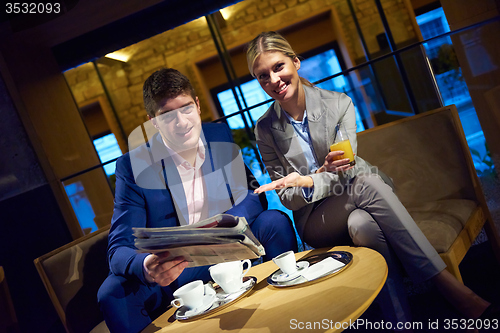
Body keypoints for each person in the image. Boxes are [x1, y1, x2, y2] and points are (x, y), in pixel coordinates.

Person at [245, 31, 496, 326]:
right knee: (366, 183)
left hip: (360, 196)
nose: (273, 80)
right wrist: (317, 178)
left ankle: (398, 322)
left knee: (361, 224)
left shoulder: (338, 104)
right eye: (262, 76)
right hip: (316, 220)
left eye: (278, 67)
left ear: (296, 63)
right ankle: (449, 286)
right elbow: (288, 196)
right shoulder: (265, 129)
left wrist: (311, 180)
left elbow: (347, 169)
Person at [97, 67, 297, 333]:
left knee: (275, 221)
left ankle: (291, 312)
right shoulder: (133, 168)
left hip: (227, 245)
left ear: (198, 106)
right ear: (153, 122)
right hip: (178, 268)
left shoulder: (219, 136)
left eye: (186, 108)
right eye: (168, 116)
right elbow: (118, 248)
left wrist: (226, 225)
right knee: (111, 292)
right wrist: (147, 267)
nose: (181, 122)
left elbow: (253, 194)